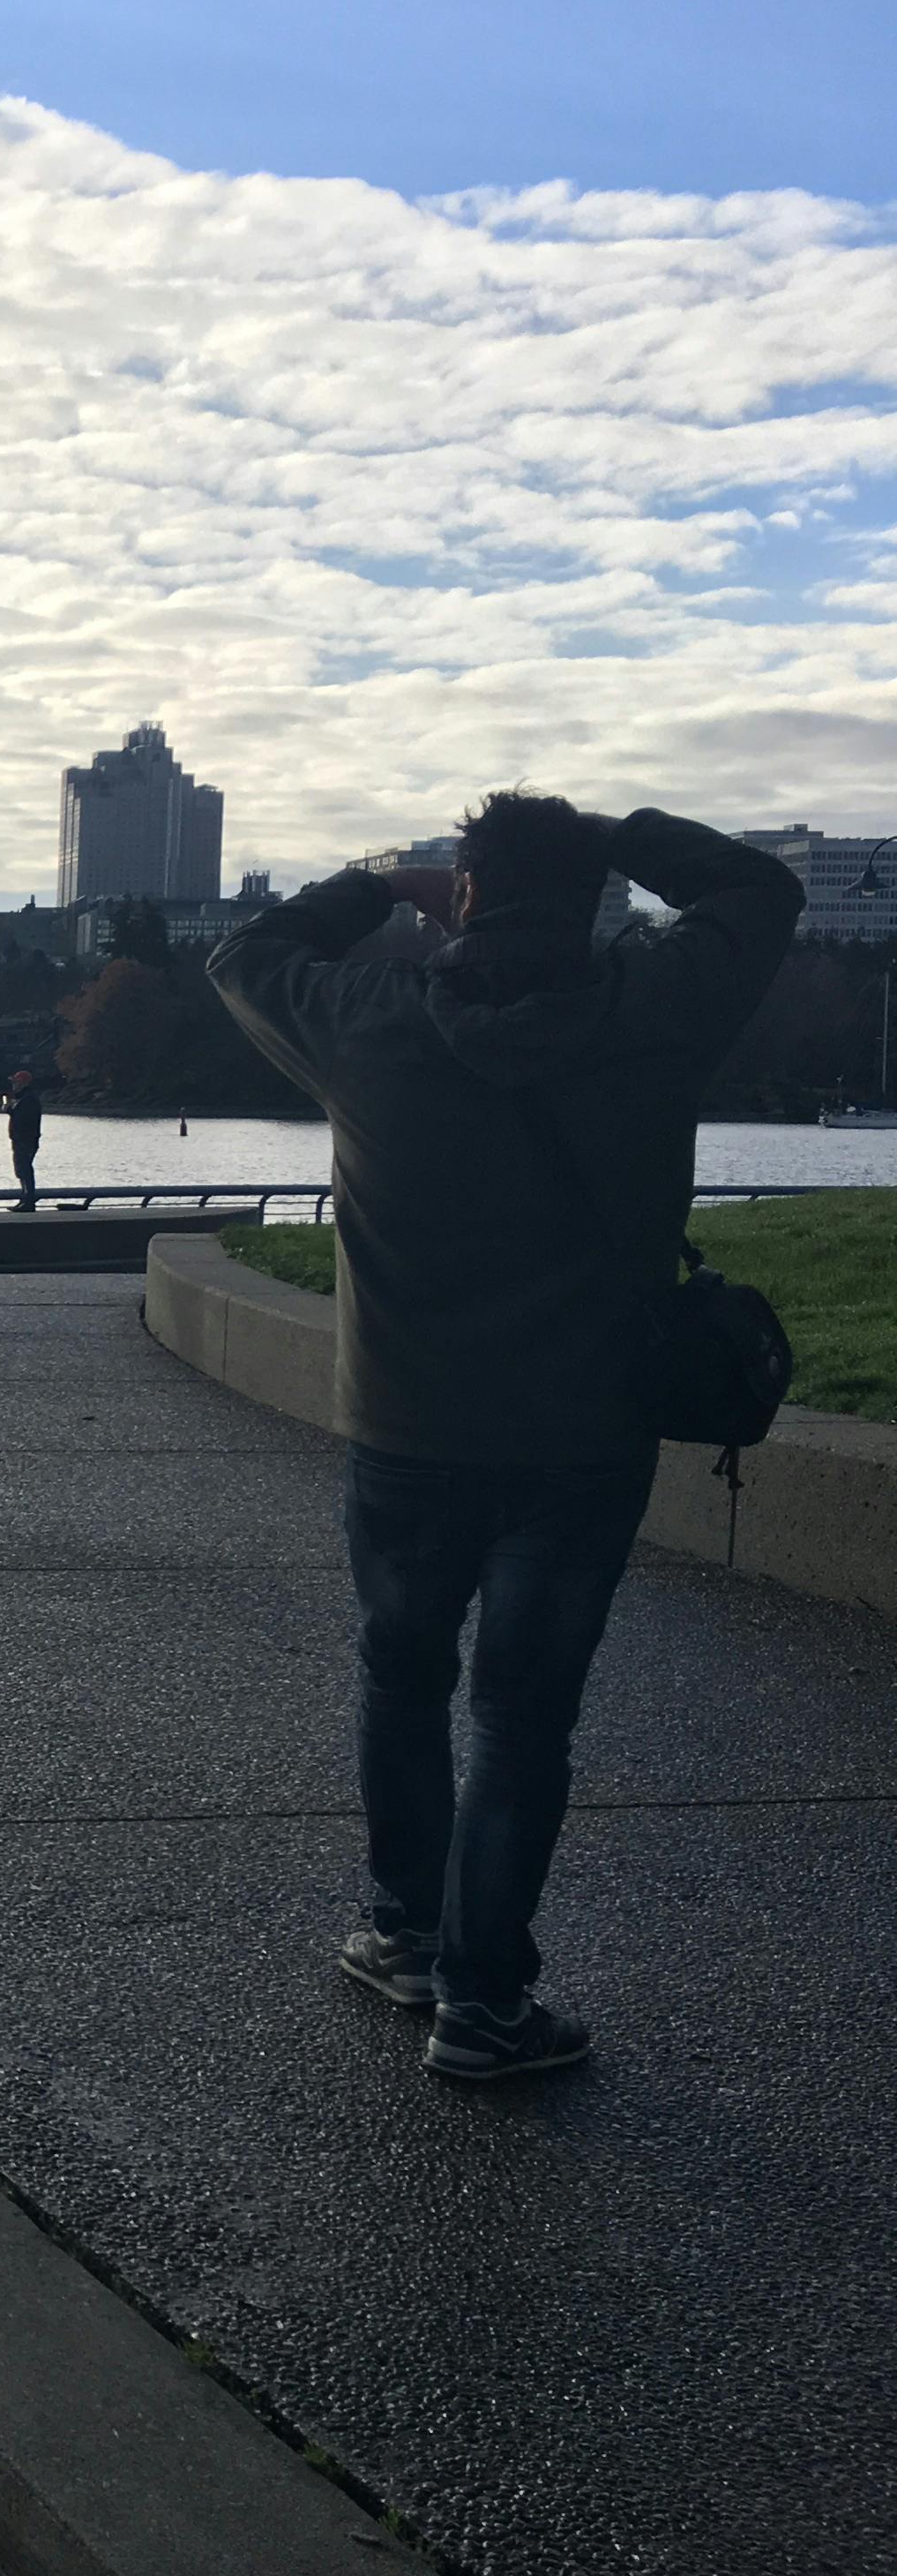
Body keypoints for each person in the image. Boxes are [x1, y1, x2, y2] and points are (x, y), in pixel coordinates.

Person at [206, 794, 800, 2082]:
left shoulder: (373, 1023)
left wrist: (379, 881)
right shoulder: (658, 1005)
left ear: (463, 896)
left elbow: (242, 957)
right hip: (583, 1438)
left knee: (403, 1677)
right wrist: (621, 829)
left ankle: (407, 1935)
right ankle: (483, 2006)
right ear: (591, 897)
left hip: (406, 1429)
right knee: (526, 1721)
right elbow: (761, 892)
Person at [4, 1068, 45, 1213]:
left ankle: (29, 1201)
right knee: (21, 1170)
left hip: (25, 1140)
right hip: (21, 1139)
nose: (13, 1085)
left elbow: (25, 1119)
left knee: (25, 1170)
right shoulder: (23, 1098)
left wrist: (11, 1110)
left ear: (23, 1083)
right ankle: (25, 1199)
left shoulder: (28, 1099)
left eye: (16, 1082)